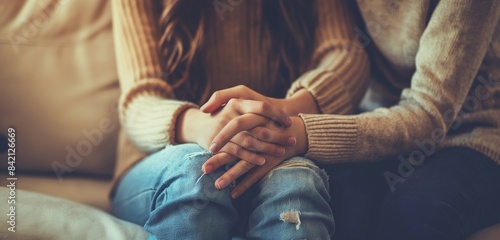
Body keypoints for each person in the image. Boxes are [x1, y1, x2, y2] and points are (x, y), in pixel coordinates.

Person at [203, 1, 500, 239]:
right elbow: (345, 51)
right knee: (322, 199)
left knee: (416, 217)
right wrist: (280, 114)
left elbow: (427, 114)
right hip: (375, 126)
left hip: (471, 136)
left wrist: (298, 131)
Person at [110, 0, 370, 239]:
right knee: (198, 175)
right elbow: (140, 101)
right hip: (158, 158)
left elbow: (346, 53)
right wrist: (204, 126)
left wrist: (278, 115)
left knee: (297, 180)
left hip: (274, 151)